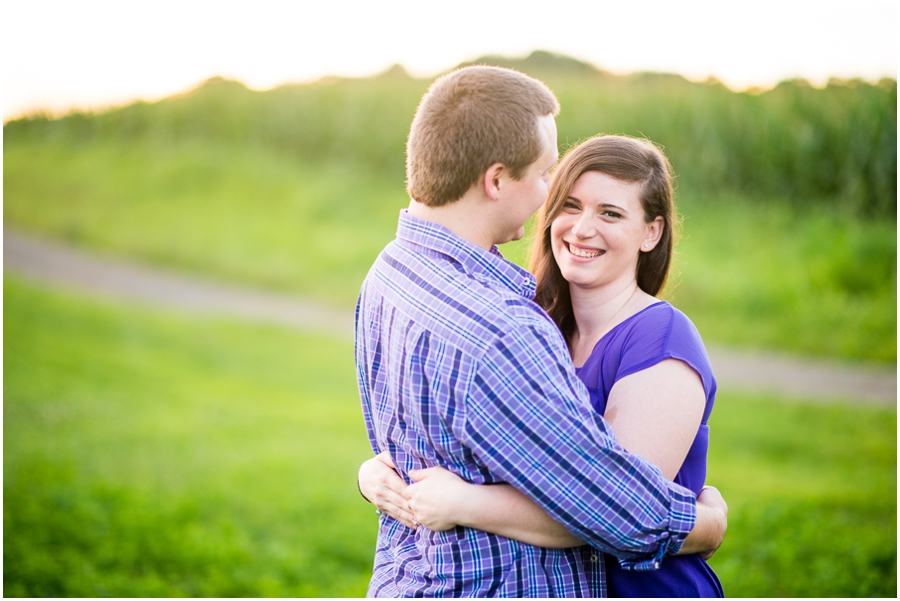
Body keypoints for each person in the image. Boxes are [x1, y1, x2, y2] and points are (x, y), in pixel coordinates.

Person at [355, 65, 727, 597]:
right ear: (498, 180)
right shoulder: (513, 326)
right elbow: (615, 507)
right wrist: (704, 523)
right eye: (554, 185)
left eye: (611, 213)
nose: (575, 222)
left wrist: (453, 500)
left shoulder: (392, 270)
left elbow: (606, 506)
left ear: (652, 231)